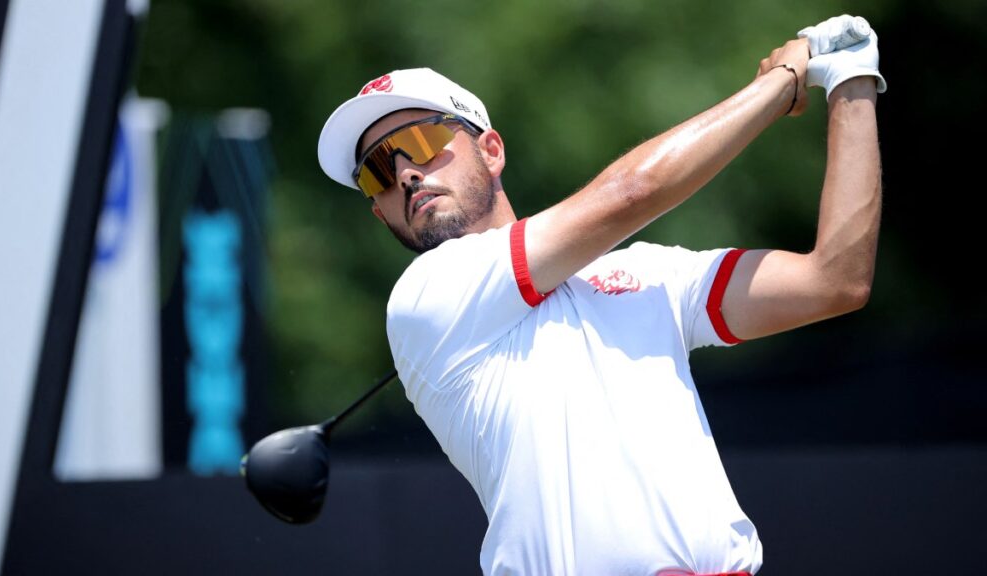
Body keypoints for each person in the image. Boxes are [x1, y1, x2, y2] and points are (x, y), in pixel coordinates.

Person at [317, 14, 885, 576]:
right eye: (377, 173)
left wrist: (851, 83)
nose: (406, 174)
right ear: (378, 208)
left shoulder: (648, 274)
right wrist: (781, 81)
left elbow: (834, 283)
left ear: (490, 150)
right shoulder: (424, 296)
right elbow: (633, 192)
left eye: (422, 140)